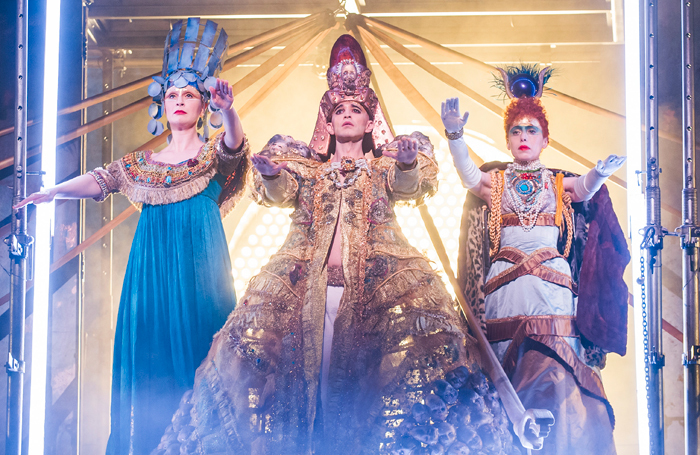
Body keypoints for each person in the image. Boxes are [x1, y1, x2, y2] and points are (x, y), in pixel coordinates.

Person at [152, 34, 522, 455]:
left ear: (369, 122)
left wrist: (402, 162)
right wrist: (273, 173)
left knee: (365, 399)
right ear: (328, 123)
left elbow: (409, 184)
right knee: (310, 400)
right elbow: (280, 192)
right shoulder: (309, 169)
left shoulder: (382, 166)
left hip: (373, 301)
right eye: (340, 110)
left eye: (357, 110)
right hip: (304, 298)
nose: (348, 115)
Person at [16, 18, 249, 455]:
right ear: (161, 102)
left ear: (204, 107)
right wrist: (52, 191)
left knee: (206, 356)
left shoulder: (213, 156)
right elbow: (101, 180)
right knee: (152, 363)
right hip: (152, 274)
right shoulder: (142, 165)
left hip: (201, 273)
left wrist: (230, 110)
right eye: (173, 94)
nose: (180, 101)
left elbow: (235, 146)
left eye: (190, 96)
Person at [444, 65, 630, 455]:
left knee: (557, 372)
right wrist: (455, 136)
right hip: (506, 288)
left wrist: (599, 172)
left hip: (552, 289)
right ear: (508, 142)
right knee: (507, 371)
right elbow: (467, 176)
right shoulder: (496, 183)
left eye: (532, 130)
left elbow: (581, 190)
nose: (524, 136)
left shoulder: (554, 182)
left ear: (545, 140)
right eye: (516, 130)